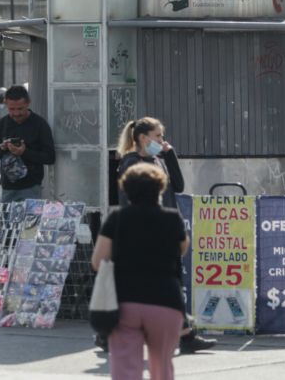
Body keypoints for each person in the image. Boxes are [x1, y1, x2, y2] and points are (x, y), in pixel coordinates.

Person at [107, 117, 216, 354]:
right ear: (143, 138)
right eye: (158, 137)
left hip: (164, 229)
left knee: (168, 286)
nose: (162, 141)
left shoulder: (159, 159)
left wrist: (170, 154)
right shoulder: (131, 163)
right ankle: (111, 332)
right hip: (145, 235)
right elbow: (129, 200)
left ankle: (184, 337)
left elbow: (177, 185)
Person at [92, 163, 188, 380]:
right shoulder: (172, 218)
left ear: (126, 189)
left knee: (125, 367)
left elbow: (98, 261)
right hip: (166, 302)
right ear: (160, 188)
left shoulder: (116, 218)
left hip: (125, 302)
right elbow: (182, 249)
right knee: (162, 366)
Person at [0, 85, 55, 202]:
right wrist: (2, 148)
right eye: (11, 109)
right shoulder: (2, 124)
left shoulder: (39, 124)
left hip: (31, 187)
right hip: (7, 188)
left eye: (20, 109)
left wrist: (24, 152)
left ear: (28, 103)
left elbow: (50, 157)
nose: (16, 113)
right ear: (6, 104)